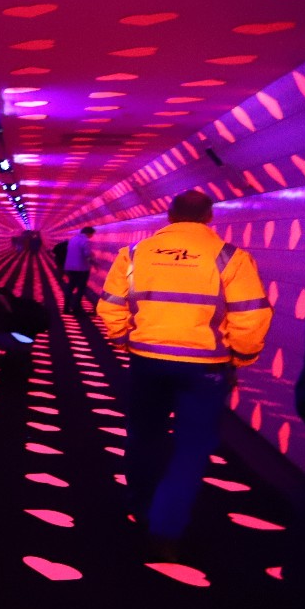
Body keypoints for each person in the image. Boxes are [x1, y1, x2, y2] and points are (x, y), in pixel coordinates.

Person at [96, 190, 271, 562]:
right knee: (191, 448)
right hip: (205, 367)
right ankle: (166, 528)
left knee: (144, 435)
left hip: (147, 360)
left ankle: (140, 505)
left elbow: (110, 306)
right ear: (210, 218)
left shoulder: (135, 254)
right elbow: (250, 315)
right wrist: (241, 356)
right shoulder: (231, 257)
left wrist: (124, 337)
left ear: (169, 216)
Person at [61, 226, 97, 314]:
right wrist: (94, 263)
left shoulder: (73, 239)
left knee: (70, 287)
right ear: (88, 233)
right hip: (81, 268)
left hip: (70, 267)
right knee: (81, 288)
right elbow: (87, 254)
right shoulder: (85, 241)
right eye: (92, 234)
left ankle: (66, 307)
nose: (92, 236)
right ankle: (76, 308)